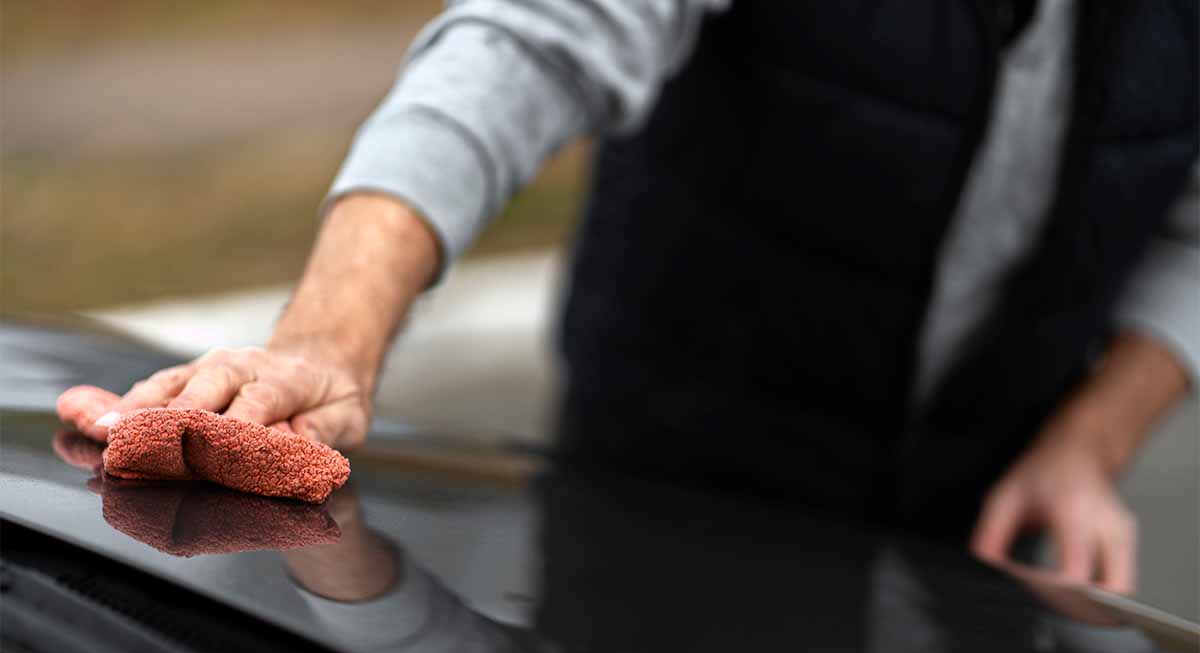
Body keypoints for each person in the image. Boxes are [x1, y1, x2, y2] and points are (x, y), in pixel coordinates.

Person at [89, 0, 1197, 593]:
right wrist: (329, 338)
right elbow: (528, 42)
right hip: (667, 520)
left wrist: (1089, 441)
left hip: (987, 550)